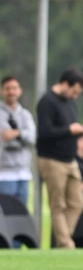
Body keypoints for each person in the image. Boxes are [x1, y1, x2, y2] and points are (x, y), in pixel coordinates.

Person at [36, 68, 83, 249]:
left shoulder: (70, 103)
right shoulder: (47, 102)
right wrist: (70, 130)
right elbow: (44, 132)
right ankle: (67, 244)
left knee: (78, 202)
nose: (75, 96)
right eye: (74, 92)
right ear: (65, 84)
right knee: (58, 205)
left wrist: (80, 130)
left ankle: (63, 240)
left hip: (70, 160)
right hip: (52, 160)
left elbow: (70, 128)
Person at [0, 76, 37, 248]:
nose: (11, 92)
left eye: (14, 88)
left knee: (20, 213)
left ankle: (16, 247)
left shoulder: (26, 114)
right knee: (6, 212)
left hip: (23, 172)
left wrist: (16, 134)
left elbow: (32, 138)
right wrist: (22, 135)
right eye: (8, 88)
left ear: (19, 90)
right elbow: (5, 138)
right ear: (2, 91)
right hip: (5, 172)